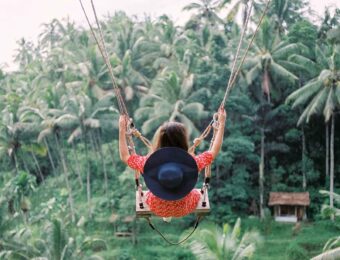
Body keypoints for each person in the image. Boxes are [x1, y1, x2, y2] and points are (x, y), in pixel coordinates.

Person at [119, 107, 226, 219]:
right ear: (183, 141)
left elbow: (125, 156)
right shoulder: (192, 163)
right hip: (184, 207)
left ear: (159, 140)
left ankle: (166, 212)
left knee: (150, 195)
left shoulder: (147, 163)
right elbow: (213, 152)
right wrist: (222, 124)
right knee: (196, 193)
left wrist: (122, 129)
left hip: (157, 207)